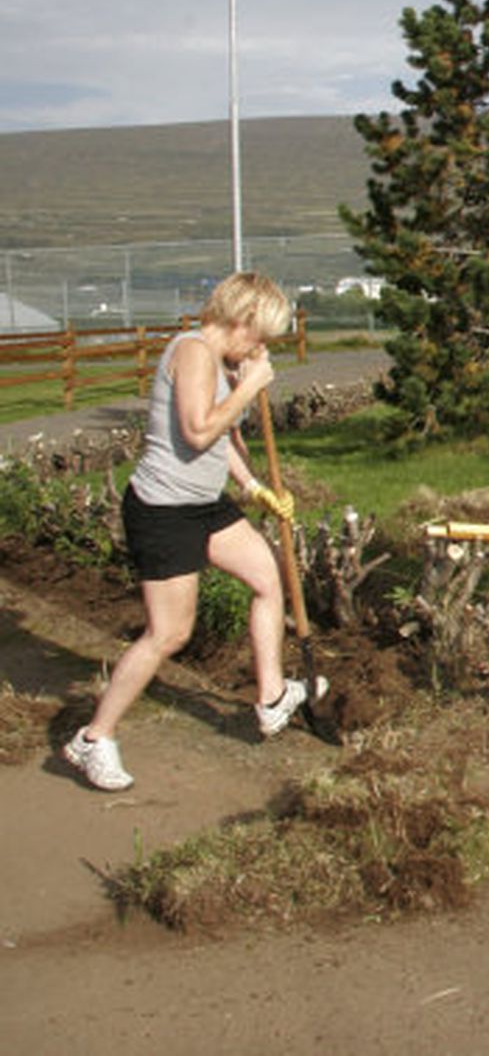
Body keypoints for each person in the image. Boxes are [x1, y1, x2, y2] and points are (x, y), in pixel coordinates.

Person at [61, 272, 324, 791]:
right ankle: (92, 740)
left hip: (203, 505)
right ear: (240, 319)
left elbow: (223, 438)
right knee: (170, 634)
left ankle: (272, 698)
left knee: (267, 578)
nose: (262, 346)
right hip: (163, 511)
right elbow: (199, 429)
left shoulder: (222, 363)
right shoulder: (193, 352)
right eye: (262, 334)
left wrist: (253, 487)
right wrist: (249, 386)